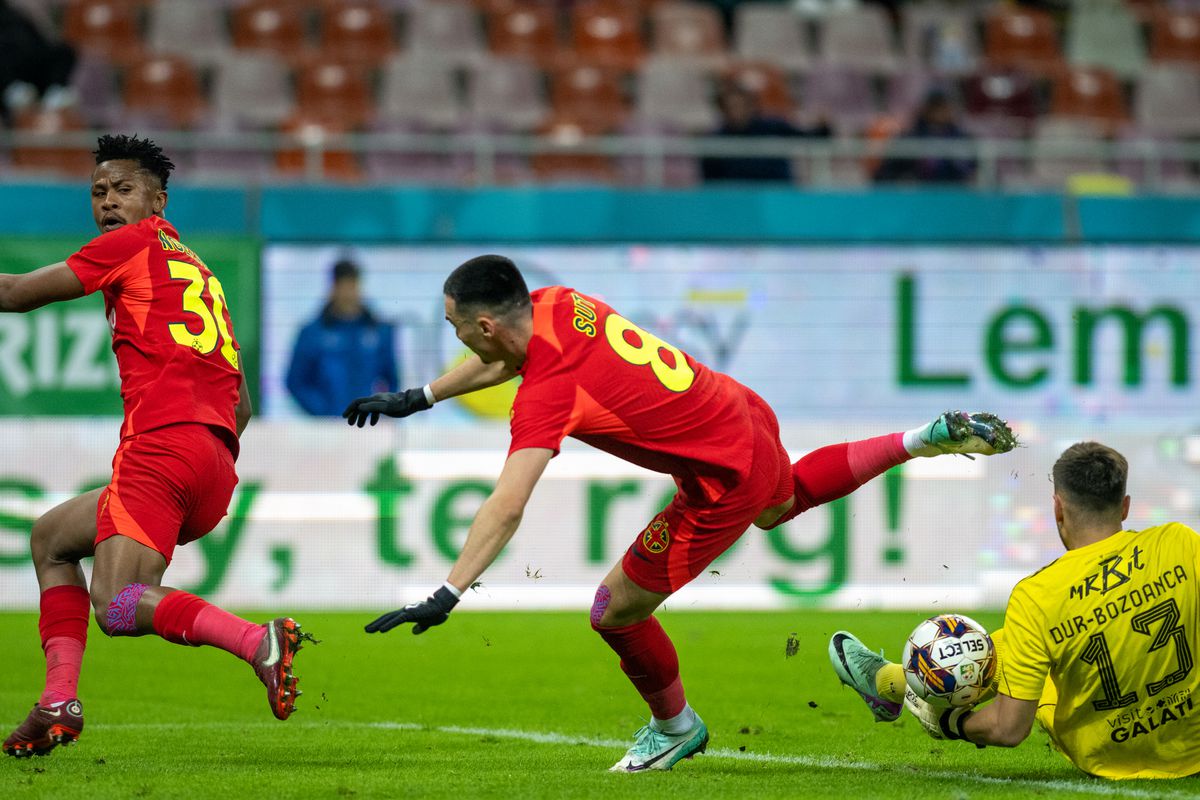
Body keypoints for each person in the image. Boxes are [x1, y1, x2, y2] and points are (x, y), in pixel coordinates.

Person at [341, 254, 1017, 772]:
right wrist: (421, 395)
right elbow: (501, 359)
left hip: (718, 477)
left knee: (615, 610)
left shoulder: (547, 391)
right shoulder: (556, 303)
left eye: (455, 324)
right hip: (739, 410)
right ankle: (918, 439)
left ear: (484, 323)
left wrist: (448, 590)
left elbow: (508, 503)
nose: (455, 334)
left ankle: (674, 729)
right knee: (780, 504)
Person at [1, 135, 313, 759]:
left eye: (122, 190)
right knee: (50, 539)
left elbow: (12, 295)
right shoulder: (202, 271)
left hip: (162, 448)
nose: (108, 202)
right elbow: (243, 405)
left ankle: (257, 642)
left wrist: (172, 453)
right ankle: (59, 697)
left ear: (158, 200)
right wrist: (200, 459)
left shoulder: (130, 245)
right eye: (98, 192)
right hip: (214, 462)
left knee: (116, 607)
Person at [830, 442, 1200, 779]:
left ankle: (893, 684)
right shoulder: (1181, 542)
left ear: (1058, 507)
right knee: (1051, 638)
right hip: (1193, 747)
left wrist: (951, 724)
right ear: (1125, 505)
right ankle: (892, 685)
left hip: (1108, 753)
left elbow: (1008, 729)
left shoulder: (1038, 594)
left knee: (1024, 647)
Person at [286, 258, 397, 417]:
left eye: (352, 286)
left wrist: (382, 410)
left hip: (368, 426)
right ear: (333, 288)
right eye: (343, 287)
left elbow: (392, 379)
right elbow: (295, 382)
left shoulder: (379, 331)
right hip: (328, 428)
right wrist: (322, 412)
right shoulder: (312, 333)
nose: (348, 294)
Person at [699, 82, 831, 184]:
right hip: (736, 200)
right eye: (731, 107)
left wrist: (823, 128)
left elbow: (808, 138)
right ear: (723, 110)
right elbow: (711, 182)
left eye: (740, 105)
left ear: (751, 106)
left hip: (777, 194)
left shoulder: (773, 127)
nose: (736, 111)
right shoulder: (715, 140)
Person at [873, 90, 975, 185]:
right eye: (936, 107)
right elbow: (886, 174)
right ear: (926, 109)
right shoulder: (910, 138)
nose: (940, 112)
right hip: (917, 195)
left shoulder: (961, 138)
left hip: (955, 194)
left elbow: (972, 170)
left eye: (944, 107)